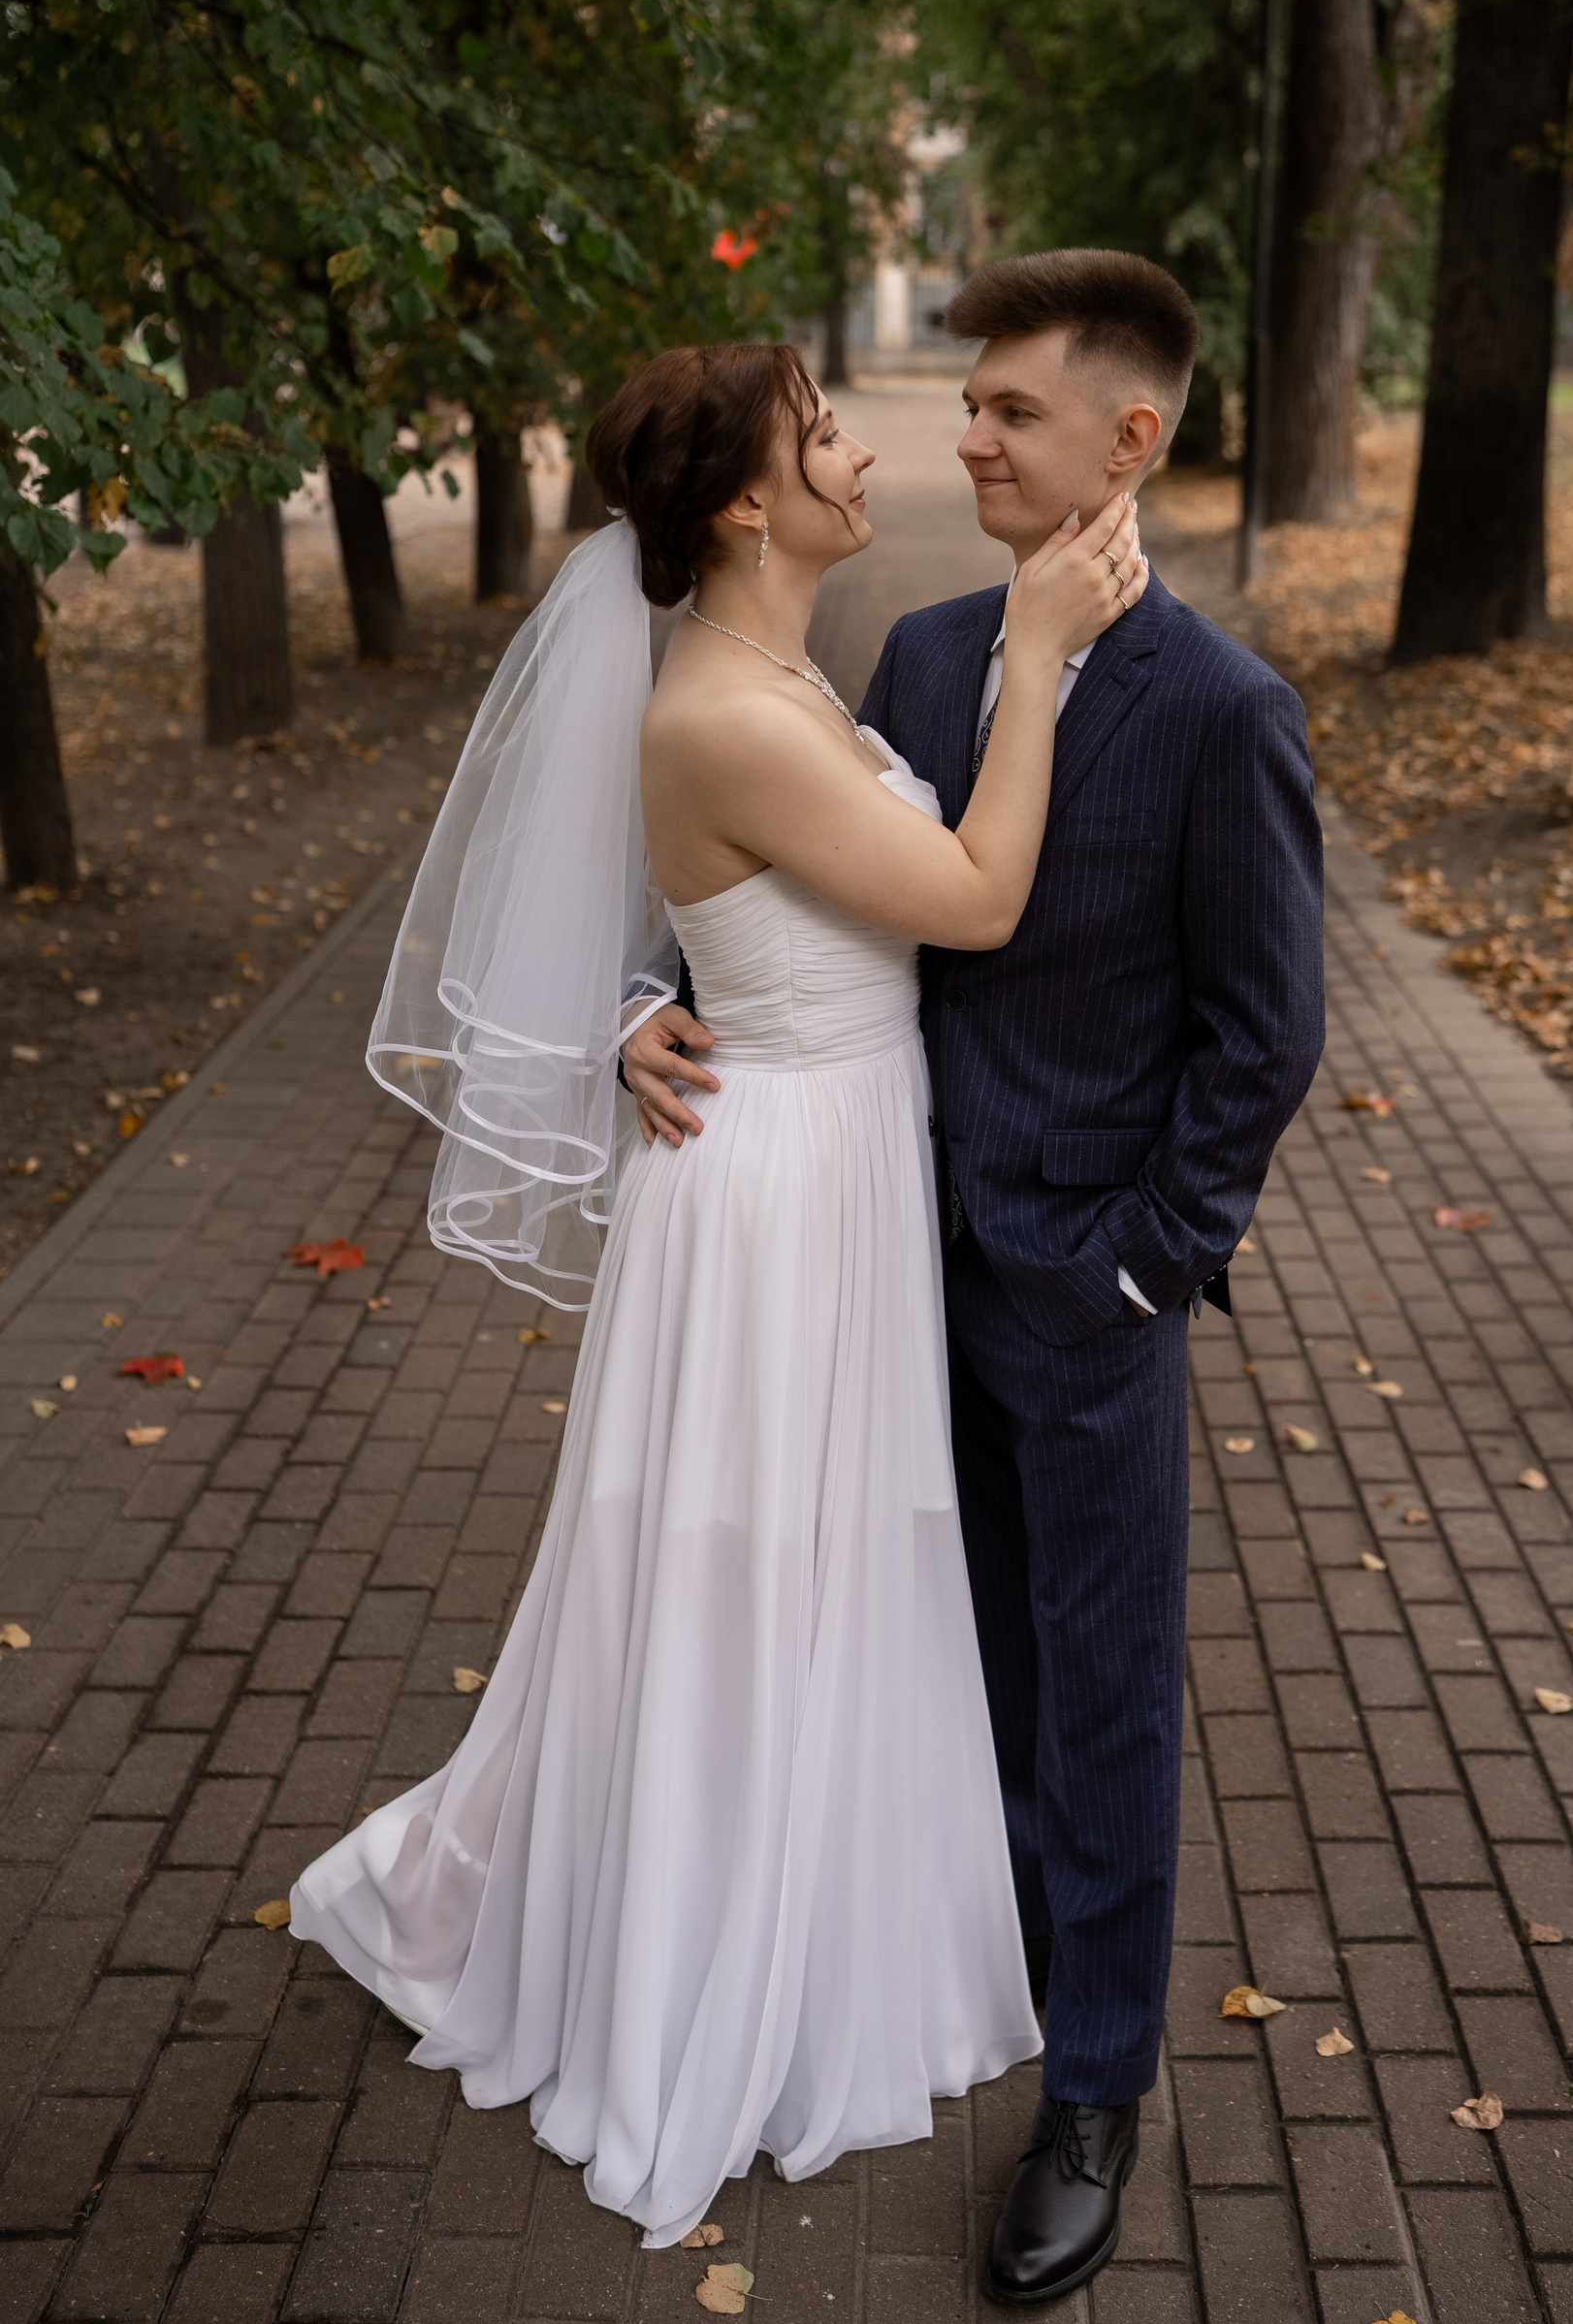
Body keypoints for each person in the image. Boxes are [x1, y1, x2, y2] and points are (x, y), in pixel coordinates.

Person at [288, 339, 1145, 2251]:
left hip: (827, 1156)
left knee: (811, 1556)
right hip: (780, 1200)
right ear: (751, 502)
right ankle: (705, 1948)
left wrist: (630, 999)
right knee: (748, 1568)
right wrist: (1035, 656)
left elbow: (699, 905)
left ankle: (813, 1901)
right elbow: (974, 899)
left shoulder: (774, 675)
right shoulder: (726, 712)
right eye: (827, 434)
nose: (865, 454)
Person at [626, 252, 1326, 2305]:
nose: (969, 438)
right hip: (877, 1275)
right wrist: (643, 1005)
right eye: (973, 405)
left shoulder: (1222, 710)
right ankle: (950, 1962)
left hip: (1086, 1295)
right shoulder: (927, 654)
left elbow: (1264, 1036)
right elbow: (777, 876)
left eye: (1014, 410)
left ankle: (1093, 2091)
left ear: (1131, 436)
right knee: (945, 1655)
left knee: (1099, 1695)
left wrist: (1150, 1271)